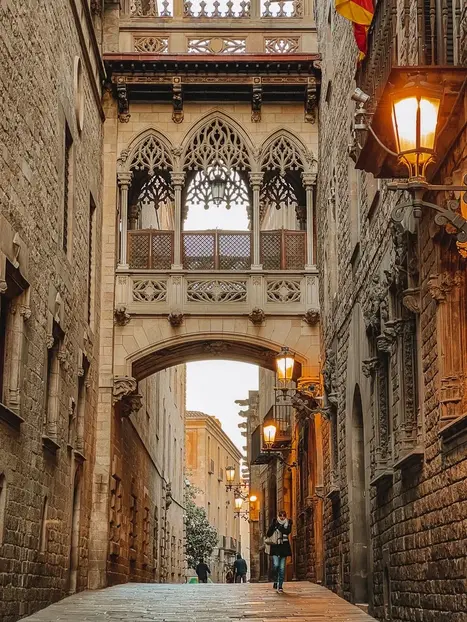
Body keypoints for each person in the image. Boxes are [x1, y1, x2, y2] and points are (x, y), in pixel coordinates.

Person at [266, 510, 292, 593]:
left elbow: (287, 532)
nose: (282, 517)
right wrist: (273, 525)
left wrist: (279, 527)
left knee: (282, 568)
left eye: (284, 515)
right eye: (281, 515)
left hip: (284, 548)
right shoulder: (275, 523)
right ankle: (275, 580)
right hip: (275, 548)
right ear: (278, 516)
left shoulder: (288, 523)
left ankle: (280, 586)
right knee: (276, 565)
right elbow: (268, 534)